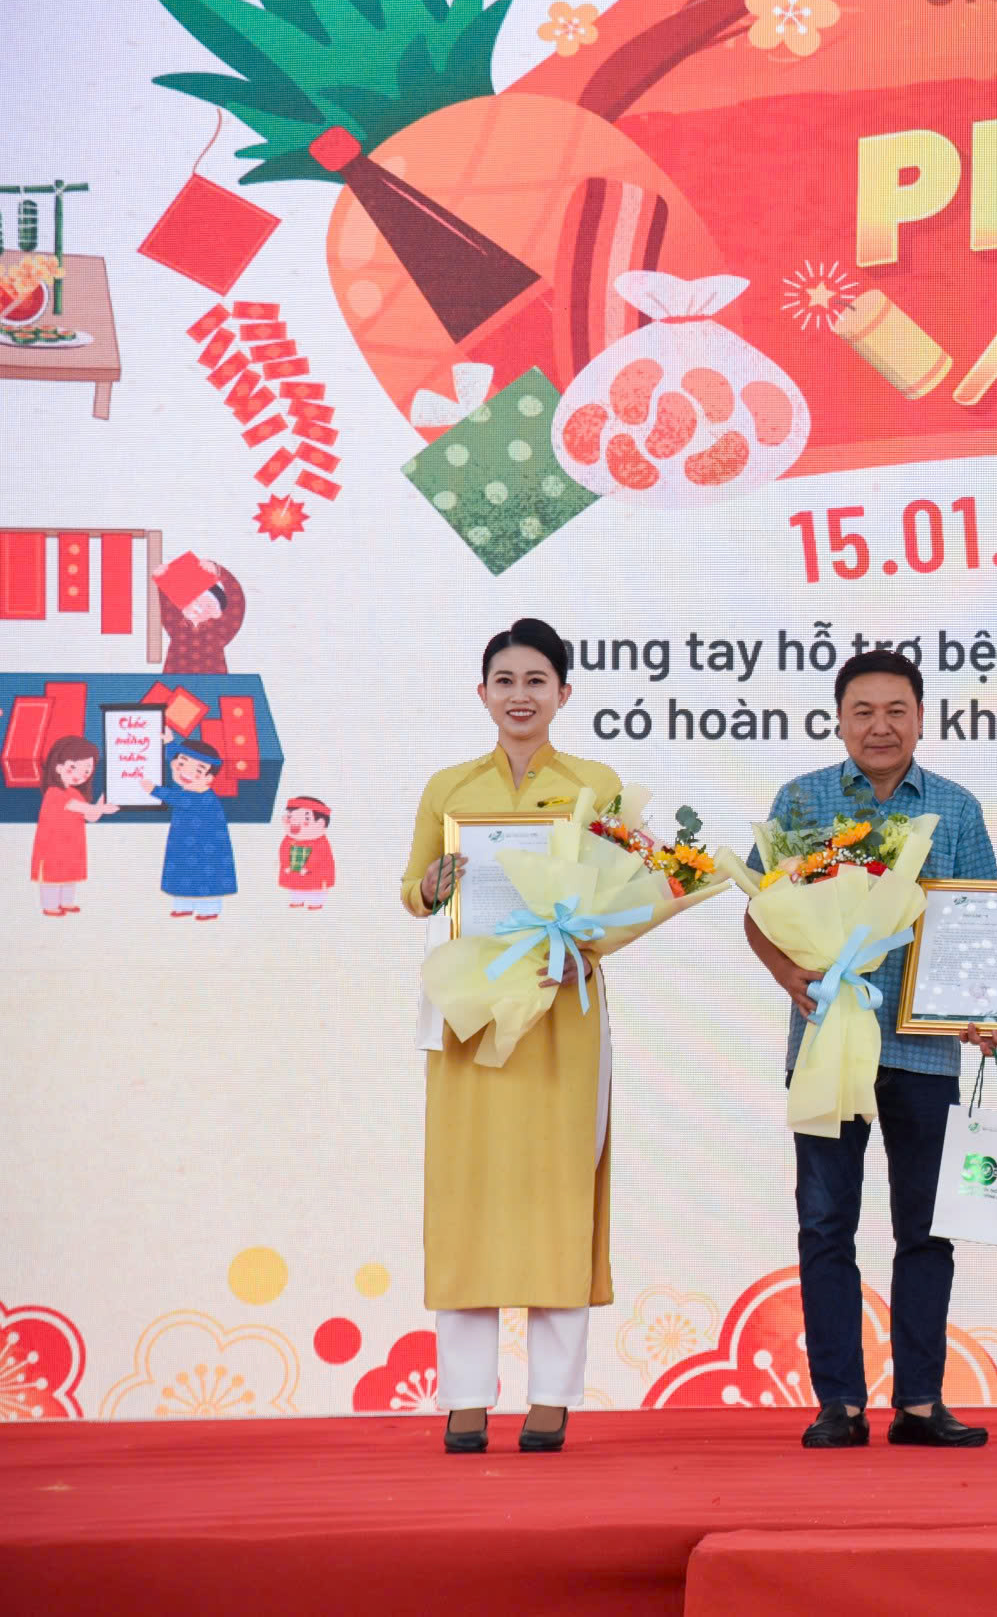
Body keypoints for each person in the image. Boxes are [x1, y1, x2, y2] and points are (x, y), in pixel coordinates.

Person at [744, 648, 997, 1450]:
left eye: (897, 710)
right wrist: (788, 972)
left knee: (927, 1227)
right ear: (839, 719)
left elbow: (980, 918)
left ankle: (920, 1400)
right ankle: (840, 1402)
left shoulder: (956, 808)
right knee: (826, 1224)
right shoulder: (803, 801)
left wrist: (985, 1005)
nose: (880, 725)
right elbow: (757, 907)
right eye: (863, 710)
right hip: (828, 1045)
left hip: (925, 1051)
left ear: (922, 718)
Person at [401, 619, 619, 1456]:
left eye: (536, 680)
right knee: (468, 1190)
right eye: (505, 680)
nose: (520, 695)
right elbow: (413, 889)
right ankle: (464, 1395)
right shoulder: (449, 787)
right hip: (471, 1007)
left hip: (562, 1007)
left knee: (558, 1190)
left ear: (564, 692)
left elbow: (620, 894)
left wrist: (585, 941)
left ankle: (552, 1395)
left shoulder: (594, 784)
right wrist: (430, 885)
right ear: (482, 692)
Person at [33, 735, 116, 915]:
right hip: (52, 847)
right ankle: (50, 906)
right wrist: (99, 807)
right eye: (73, 768)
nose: (80, 775)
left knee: (70, 874)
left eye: (86, 771)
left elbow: (91, 816)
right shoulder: (54, 792)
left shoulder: (75, 793)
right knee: (52, 877)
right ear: (58, 767)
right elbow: (78, 807)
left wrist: (105, 798)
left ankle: (66, 902)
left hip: (72, 845)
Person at [155, 738, 236, 919]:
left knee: (206, 877)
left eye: (198, 770)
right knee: (181, 872)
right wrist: (169, 743)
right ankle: (184, 906)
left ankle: (209, 909)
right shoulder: (189, 788)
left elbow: (181, 800)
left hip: (207, 848)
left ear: (209, 778)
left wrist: (154, 789)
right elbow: (176, 757)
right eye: (181, 764)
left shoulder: (202, 797)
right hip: (183, 843)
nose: (186, 772)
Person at [278, 797, 335, 910]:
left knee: (315, 889)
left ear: (321, 823)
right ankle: (297, 900)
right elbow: (283, 852)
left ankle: (316, 902)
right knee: (295, 886)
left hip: (315, 873)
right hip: (294, 870)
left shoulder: (320, 842)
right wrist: (286, 865)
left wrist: (308, 867)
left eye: (306, 818)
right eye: (290, 817)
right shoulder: (288, 839)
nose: (294, 823)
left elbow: (319, 857)